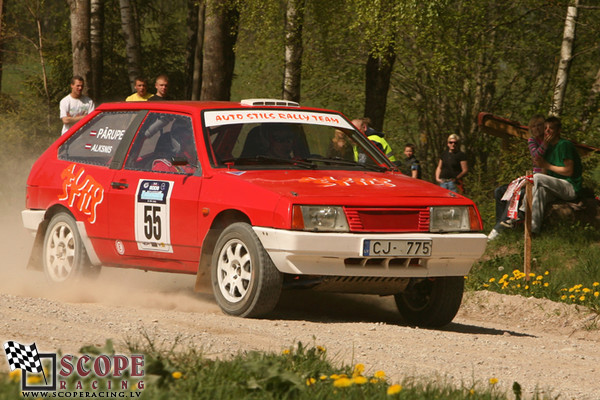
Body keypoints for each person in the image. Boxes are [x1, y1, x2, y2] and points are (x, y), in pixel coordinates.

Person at [488, 114, 550, 240]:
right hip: (533, 176)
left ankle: (498, 230)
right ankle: (501, 225)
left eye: (539, 125)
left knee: (518, 193)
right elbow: (535, 155)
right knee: (500, 191)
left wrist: (545, 143)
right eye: (533, 126)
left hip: (543, 179)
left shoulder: (551, 142)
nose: (537, 128)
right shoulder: (532, 141)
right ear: (530, 129)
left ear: (544, 127)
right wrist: (544, 144)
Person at [529, 116, 582, 234]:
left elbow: (568, 171)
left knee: (536, 177)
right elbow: (545, 174)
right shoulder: (548, 148)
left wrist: (546, 165)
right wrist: (543, 166)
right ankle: (533, 230)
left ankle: (522, 211)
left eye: (551, 128)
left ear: (558, 130)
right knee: (540, 190)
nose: (547, 131)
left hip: (570, 187)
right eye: (546, 128)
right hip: (556, 188)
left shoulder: (564, 145)